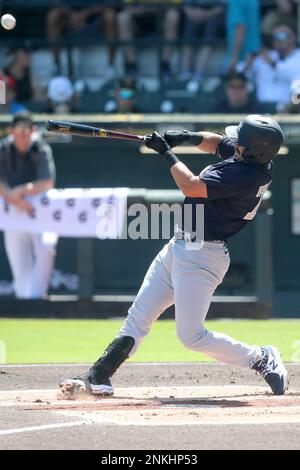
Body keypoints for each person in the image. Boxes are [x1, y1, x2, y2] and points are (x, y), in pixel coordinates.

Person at [60, 114, 288, 400]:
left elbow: (191, 186)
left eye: (241, 143)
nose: (235, 144)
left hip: (203, 255)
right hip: (180, 246)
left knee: (191, 336)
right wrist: (186, 138)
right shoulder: (252, 159)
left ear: (254, 150)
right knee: (138, 318)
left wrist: (167, 153)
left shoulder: (245, 175)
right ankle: (99, 376)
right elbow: (218, 143)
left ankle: (260, 357)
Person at [0, 112, 57, 299]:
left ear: (33, 131)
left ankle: (39, 297)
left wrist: (22, 190)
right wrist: (16, 199)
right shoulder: (4, 148)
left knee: (46, 247)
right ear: (11, 131)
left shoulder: (40, 147)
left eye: (27, 130)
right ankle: (25, 301)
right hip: (14, 209)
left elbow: (47, 182)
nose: (23, 134)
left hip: (39, 209)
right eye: (19, 130)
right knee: (20, 267)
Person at [46, 1, 117, 74]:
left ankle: (111, 64)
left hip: (95, 18)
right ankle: (56, 64)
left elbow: (110, 2)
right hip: (69, 17)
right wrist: (71, 14)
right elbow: (55, 2)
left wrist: (86, 13)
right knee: (53, 15)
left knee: (110, 15)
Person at [117, 1, 180, 78]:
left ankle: (165, 65)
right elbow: (126, 6)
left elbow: (175, 5)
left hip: (160, 19)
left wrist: (149, 8)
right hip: (138, 20)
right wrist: (143, 9)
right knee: (123, 17)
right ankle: (131, 65)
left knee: (173, 15)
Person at [246, 23, 300, 111]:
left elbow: (291, 72)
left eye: (282, 35)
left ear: (293, 37)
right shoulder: (266, 56)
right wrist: (248, 63)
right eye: (275, 36)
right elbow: (243, 75)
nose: (278, 39)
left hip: (287, 110)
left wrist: (272, 64)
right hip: (262, 110)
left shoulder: (298, 56)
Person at [179, 0, 224, 81]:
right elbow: (185, 5)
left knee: (211, 30)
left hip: (214, 15)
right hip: (193, 15)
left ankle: (199, 71)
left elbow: (222, 6)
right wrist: (192, 13)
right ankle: (185, 71)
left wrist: (207, 14)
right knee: (189, 30)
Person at [225, 0, 261, 73]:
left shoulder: (236, 2)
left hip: (243, 60)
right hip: (254, 56)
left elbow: (240, 28)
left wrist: (234, 59)